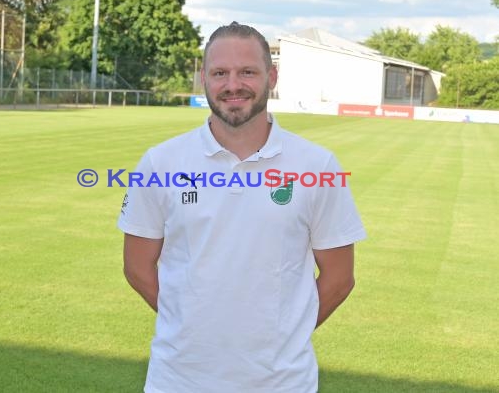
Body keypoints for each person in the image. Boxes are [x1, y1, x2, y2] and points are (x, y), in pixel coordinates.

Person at [118, 21, 366, 393]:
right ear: (204, 78)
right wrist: (191, 326)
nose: (233, 85)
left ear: (272, 76)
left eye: (247, 72)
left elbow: (339, 278)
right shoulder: (159, 163)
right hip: (179, 380)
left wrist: (279, 335)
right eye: (220, 73)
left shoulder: (318, 166)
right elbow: (137, 267)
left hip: (283, 382)